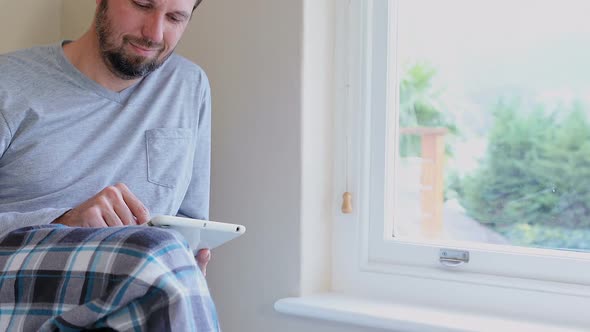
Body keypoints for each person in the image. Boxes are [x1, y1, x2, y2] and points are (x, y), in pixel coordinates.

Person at [0, 0, 218, 330]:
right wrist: (63, 220)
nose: (154, 33)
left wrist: (186, 265)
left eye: (175, 18)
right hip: (19, 280)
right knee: (156, 252)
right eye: (143, 5)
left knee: (164, 254)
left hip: (137, 284)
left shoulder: (189, 86)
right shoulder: (10, 82)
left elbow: (188, 223)